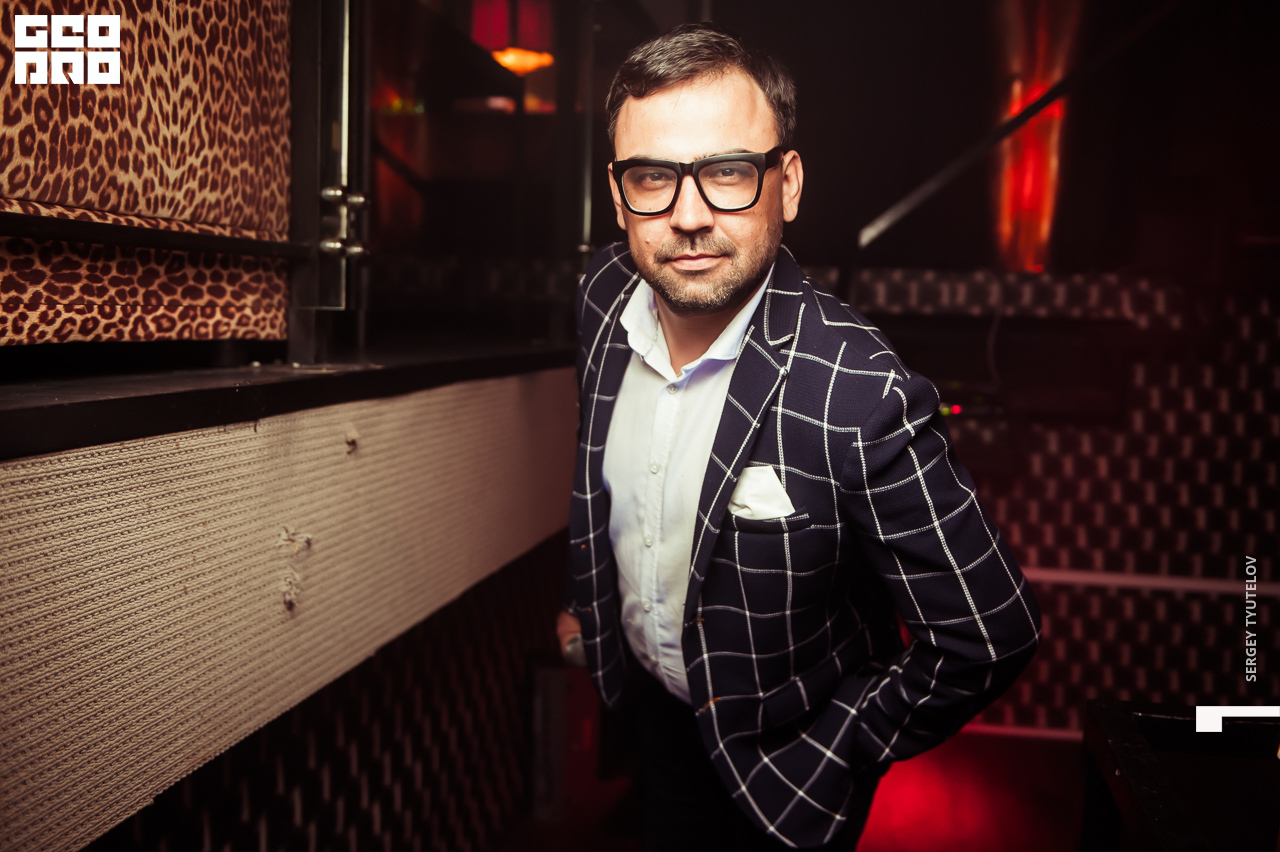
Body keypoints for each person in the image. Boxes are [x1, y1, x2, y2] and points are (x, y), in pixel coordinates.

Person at [556, 22, 1042, 851]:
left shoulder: (859, 390)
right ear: (617, 192)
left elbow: (989, 633)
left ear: (786, 184)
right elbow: (598, 468)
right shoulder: (603, 295)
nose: (688, 217)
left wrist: (841, 746)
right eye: (653, 178)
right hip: (647, 713)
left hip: (786, 773)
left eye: (727, 173)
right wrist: (586, 603)